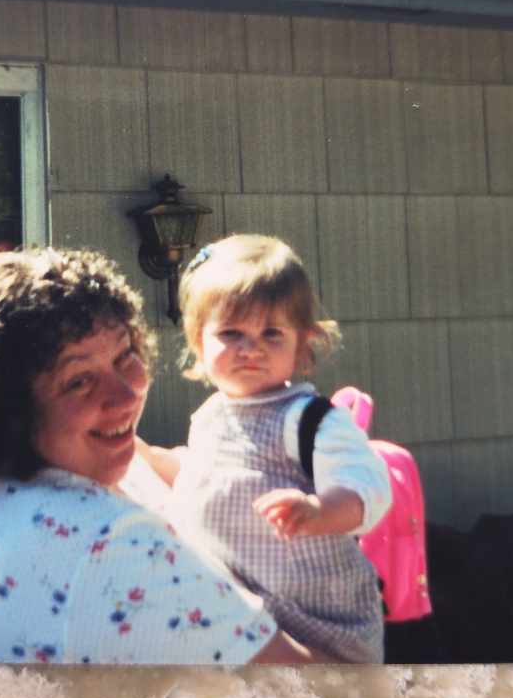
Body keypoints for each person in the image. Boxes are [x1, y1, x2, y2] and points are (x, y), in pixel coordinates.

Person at [0, 249, 323, 666]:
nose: (126, 394)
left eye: (125, 356)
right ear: (8, 407)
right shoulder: (115, 549)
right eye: (79, 381)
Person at [134, 236, 393, 665]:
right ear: (199, 340)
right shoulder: (212, 414)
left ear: (303, 340)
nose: (250, 347)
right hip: (248, 616)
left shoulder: (308, 419)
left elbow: (367, 482)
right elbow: (198, 471)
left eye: (271, 333)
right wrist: (142, 455)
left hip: (320, 621)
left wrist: (320, 510)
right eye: (231, 333)